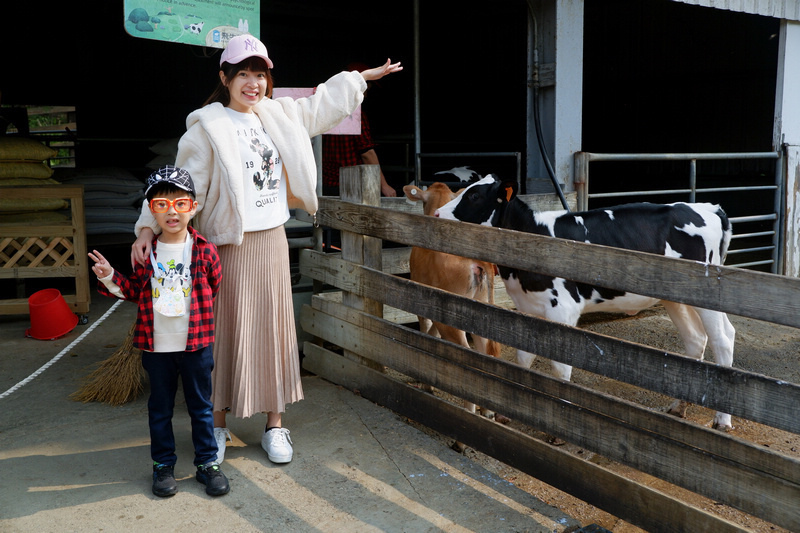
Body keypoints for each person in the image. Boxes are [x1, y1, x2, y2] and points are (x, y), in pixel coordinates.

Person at [131, 34, 402, 466]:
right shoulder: (207, 128)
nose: (253, 83)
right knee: (221, 337)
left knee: (274, 332)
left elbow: (321, 104)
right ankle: (215, 426)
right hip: (227, 247)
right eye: (243, 74)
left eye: (260, 74)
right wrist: (147, 227)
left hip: (272, 241)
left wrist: (360, 78)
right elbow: (180, 185)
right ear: (224, 78)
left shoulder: (276, 115)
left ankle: (275, 424)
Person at [90, 165, 228, 498]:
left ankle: (208, 464)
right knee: (160, 408)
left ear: (193, 207)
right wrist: (109, 275)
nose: (171, 212)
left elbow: (214, 284)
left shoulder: (205, 251)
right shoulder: (145, 254)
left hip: (195, 345)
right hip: (156, 348)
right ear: (152, 211)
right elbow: (133, 291)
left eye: (180, 204)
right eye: (161, 205)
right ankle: (162, 466)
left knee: (201, 407)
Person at [322, 63, 397, 198]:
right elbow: (367, 152)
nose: (367, 91)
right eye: (367, 86)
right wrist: (384, 185)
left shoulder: (326, 109)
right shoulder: (356, 114)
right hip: (352, 184)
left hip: (326, 184)